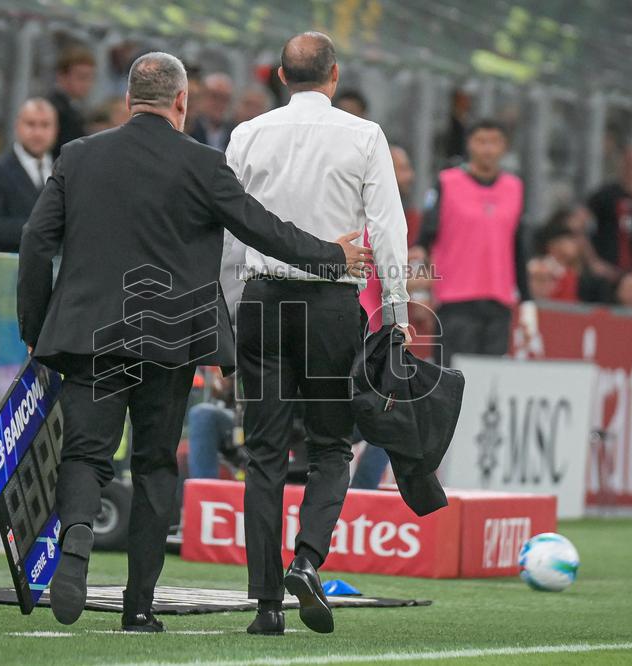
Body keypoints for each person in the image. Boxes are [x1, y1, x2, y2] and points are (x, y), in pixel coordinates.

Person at [17, 51, 369, 633]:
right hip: (169, 339)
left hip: (90, 337)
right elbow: (261, 228)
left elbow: (35, 241)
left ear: (129, 99)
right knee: (155, 465)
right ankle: (138, 608)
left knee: (85, 454)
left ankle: (76, 539)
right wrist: (331, 255)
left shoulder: (78, 156)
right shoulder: (203, 163)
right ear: (181, 101)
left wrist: (37, 330)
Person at [225, 32, 409, 636]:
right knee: (331, 447)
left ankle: (265, 606)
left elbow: (228, 234)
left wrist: (231, 313)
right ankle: (306, 560)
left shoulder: (247, 135)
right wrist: (397, 313)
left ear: (281, 76)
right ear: (335, 75)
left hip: (261, 301)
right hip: (330, 306)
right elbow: (388, 230)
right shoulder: (365, 136)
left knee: (263, 453)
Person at [413, 119, 530, 366]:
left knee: (490, 380)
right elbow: (422, 244)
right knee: (451, 377)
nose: (488, 149)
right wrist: (420, 293)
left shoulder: (515, 188)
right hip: (455, 301)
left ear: (504, 147)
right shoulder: (447, 182)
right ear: (469, 145)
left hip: (499, 303)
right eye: (481, 141)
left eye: (494, 142)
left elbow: (517, 247)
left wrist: (527, 301)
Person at [0, 98, 58, 253]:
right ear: (17, 126)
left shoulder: (64, 171)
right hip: (9, 264)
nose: (38, 133)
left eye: (45, 125)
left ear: (55, 129)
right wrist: (44, 228)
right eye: (31, 124)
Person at [586, 145, 632, 280]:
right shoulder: (605, 195)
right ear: (620, 165)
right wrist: (593, 262)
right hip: (611, 275)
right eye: (628, 163)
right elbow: (577, 226)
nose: (631, 168)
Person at [49, 47, 96, 158]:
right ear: (61, 77)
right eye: (82, 77)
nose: (87, 84)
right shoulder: (55, 110)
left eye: (91, 78)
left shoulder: (74, 108)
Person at [189, 72, 234, 150]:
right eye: (214, 96)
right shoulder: (189, 128)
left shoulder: (235, 134)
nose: (219, 103)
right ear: (201, 97)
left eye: (225, 99)